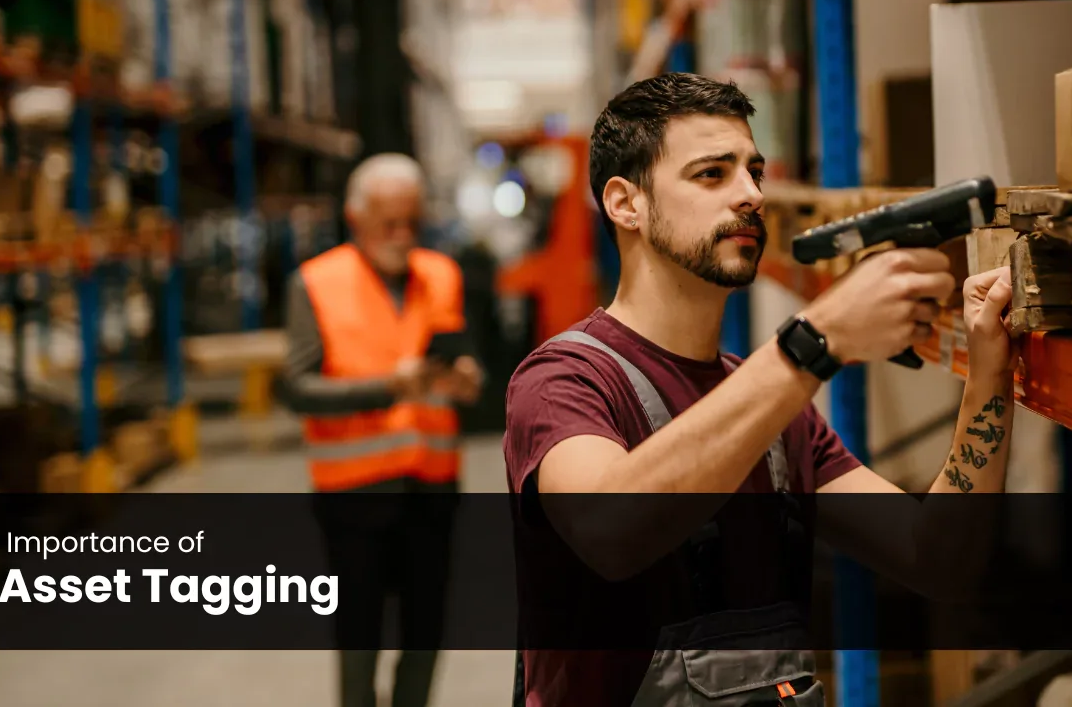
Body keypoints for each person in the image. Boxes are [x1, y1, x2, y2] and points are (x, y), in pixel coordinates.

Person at [504, 73, 1021, 707]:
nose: (750, 195)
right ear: (625, 203)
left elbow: (938, 558)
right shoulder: (565, 382)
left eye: (754, 171)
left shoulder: (779, 415)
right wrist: (817, 339)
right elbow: (612, 531)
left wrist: (989, 371)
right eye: (711, 174)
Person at [281, 153, 483, 707]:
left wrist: (465, 379)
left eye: (411, 223)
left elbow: (457, 352)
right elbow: (297, 389)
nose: (402, 235)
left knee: (426, 634)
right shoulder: (315, 283)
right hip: (354, 496)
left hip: (432, 490)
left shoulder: (440, 274)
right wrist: (389, 388)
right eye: (388, 223)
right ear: (355, 217)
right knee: (358, 639)